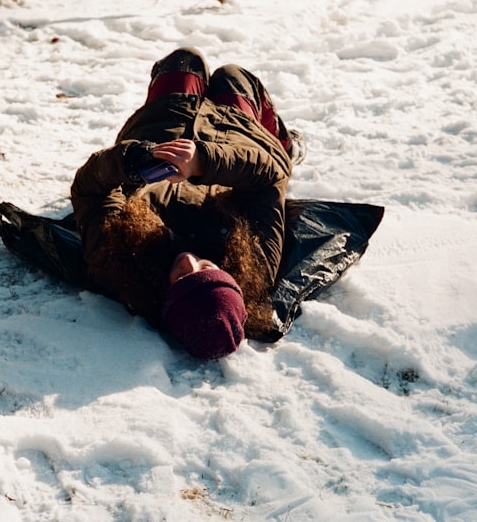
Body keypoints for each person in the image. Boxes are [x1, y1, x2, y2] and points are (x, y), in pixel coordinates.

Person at [70, 48, 305, 359]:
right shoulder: (256, 264)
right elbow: (269, 177)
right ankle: (287, 145)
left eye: (182, 277)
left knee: (183, 62)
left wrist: (130, 160)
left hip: (161, 126)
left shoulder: (121, 262)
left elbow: (89, 189)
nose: (189, 260)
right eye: (207, 267)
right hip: (240, 136)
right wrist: (203, 162)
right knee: (234, 76)